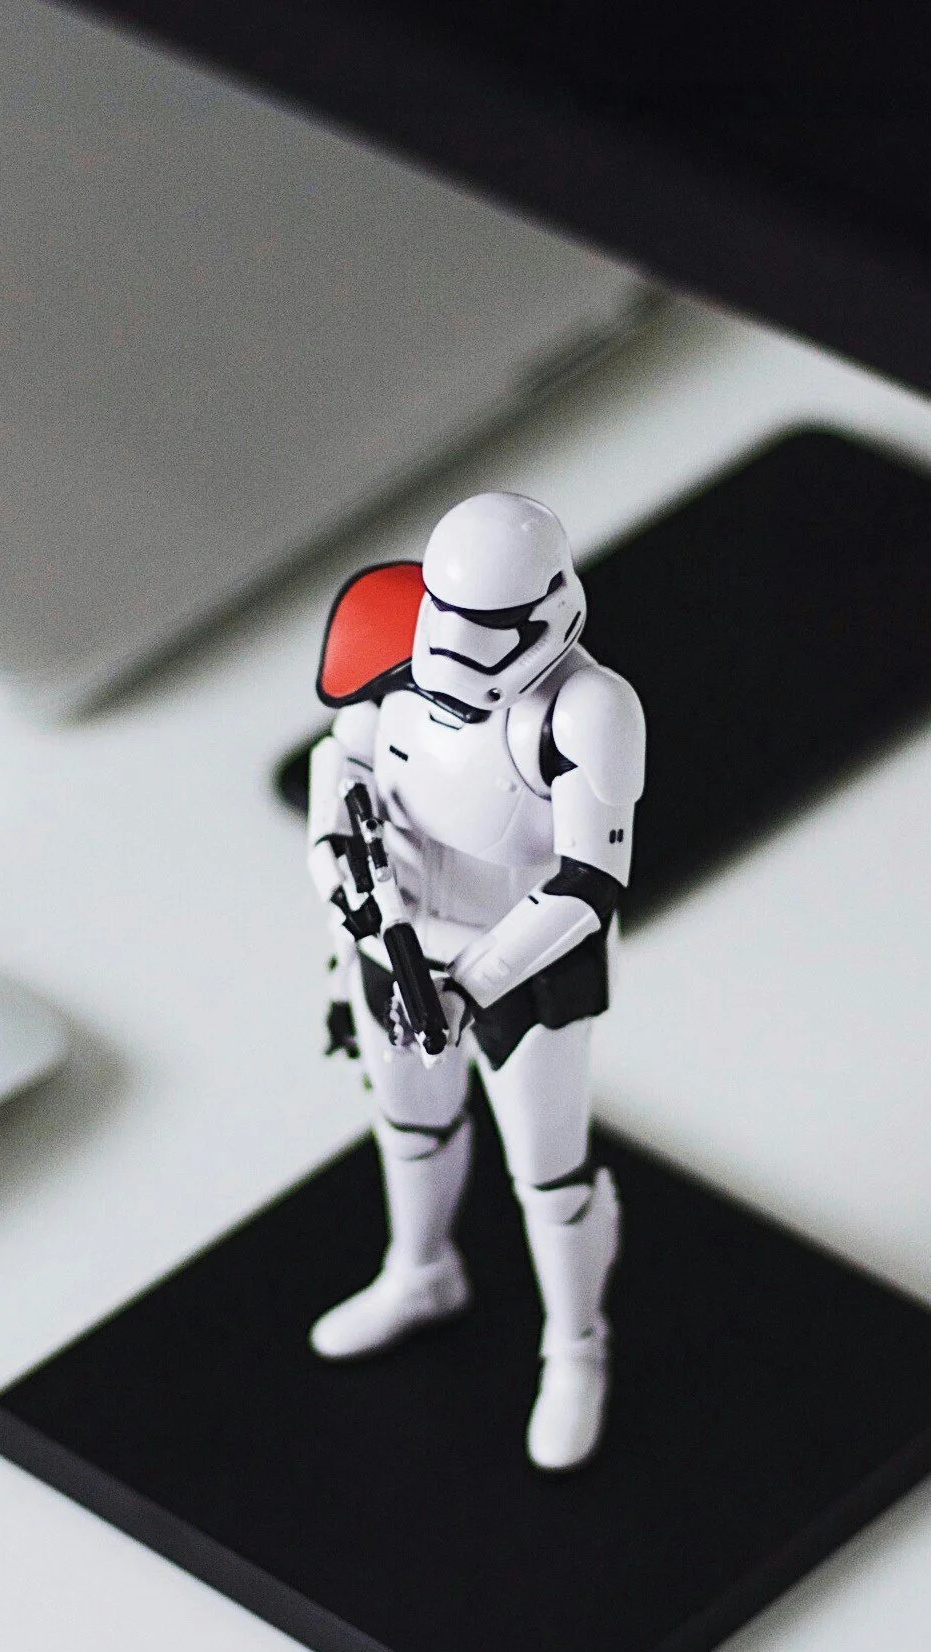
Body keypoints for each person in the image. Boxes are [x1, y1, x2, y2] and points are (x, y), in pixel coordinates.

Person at [304, 491, 645, 1470]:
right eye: (447, 624)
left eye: (488, 630)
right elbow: (339, 762)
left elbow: (587, 882)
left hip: (525, 965)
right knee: (408, 1126)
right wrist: (335, 869)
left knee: (549, 1174)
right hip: (392, 934)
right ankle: (419, 1269)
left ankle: (575, 1345)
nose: (457, 660)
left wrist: (475, 980)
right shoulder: (396, 637)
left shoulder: (585, 709)